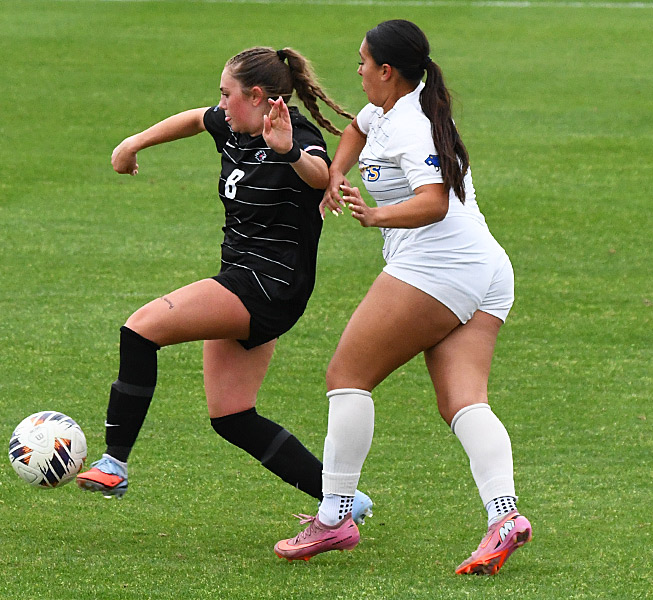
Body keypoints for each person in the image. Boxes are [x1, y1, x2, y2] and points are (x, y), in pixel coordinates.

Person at [273, 20, 532, 575]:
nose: (358, 69)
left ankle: (336, 515)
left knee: (346, 375)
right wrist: (334, 176)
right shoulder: (394, 107)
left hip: (441, 264)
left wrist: (375, 216)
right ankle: (505, 515)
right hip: (485, 265)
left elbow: (434, 201)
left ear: (386, 70)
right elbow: (357, 132)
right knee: (463, 400)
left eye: (363, 61)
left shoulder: (413, 125)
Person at [76, 46, 372, 522]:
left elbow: (320, 176)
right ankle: (340, 498)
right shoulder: (233, 126)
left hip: (267, 283)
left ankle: (115, 462)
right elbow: (194, 119)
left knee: (140, 329)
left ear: (256, 96)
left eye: (226, 94)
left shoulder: (293, 133)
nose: (220, 104)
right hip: (245, 278)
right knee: (232, 416)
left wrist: (288, 150)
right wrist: (133, 143)